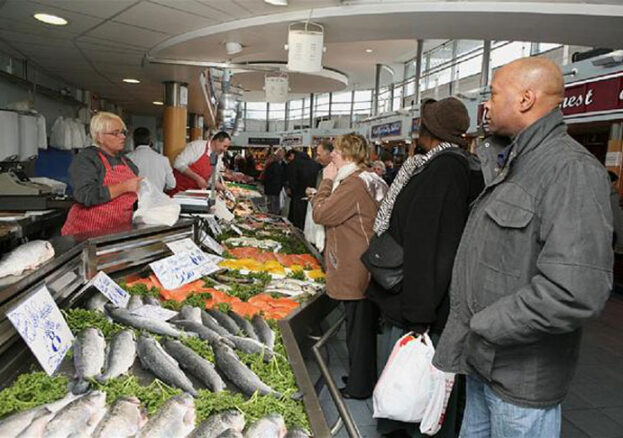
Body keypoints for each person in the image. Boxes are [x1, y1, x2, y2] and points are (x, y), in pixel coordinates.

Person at [433, 57, 613, 437]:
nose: (486, 106)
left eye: (495, 94)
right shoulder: (513, 163)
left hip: (520, 382)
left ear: (526, 99)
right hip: (483, 365)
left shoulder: (569, 170)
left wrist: (485, 324)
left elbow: (575, 291)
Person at [367, 97, 484, 437]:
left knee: (410, 392)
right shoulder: (464, 165)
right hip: (438, 302)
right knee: (429, 396)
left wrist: (418, 315)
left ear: (427, 131)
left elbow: (429, 245)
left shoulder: (442, 170)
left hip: (421, 307)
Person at [312, 133, 388, 400]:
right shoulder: (369, 178)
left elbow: (321, 213)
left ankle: (360, 386)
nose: (331, 154)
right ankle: (360, 377)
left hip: (355, 264)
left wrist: (326, 182)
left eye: (336, 151)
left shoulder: (353, 184)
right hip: (365, 262)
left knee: (359, 330)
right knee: (360, 327)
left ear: (347, 154)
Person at [62, 112, 141, 236]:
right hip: (85, 235)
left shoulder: (127, 163)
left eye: (123, 132)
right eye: (115, 133)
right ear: (99, 137)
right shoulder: (87, 158)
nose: (122, 137)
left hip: (117, 233)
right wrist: (124, 187)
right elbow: (84, 195)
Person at [304, 141, 334, 251]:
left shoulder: (337, 173)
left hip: (327, 221)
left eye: (319, 154)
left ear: (328, 153)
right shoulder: (322, 171)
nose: (317, 157)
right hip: (318, 215)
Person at [127, 127, 175, 192]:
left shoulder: (127, 158)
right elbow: (172, 184)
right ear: (150, 141)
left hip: (135, 200)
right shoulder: (163, 159)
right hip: (157, 199)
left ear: (133, 140)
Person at [286, 149, 322, 229]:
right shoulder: (315, 164)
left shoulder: (294, 164)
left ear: (292, 155)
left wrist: (291, 192)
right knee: (307, 219)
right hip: (312, 195)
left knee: (297, 220)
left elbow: (292, 181)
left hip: (298, 195)